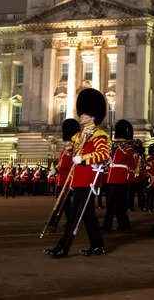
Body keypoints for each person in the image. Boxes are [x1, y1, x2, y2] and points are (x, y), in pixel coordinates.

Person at [45, 88, 110, 258]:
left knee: (74, 216)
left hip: (88, 179)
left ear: (93, 115)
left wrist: (83, 158)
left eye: (84, 113)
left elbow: (103, 155)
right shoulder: (78, 136)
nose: (80, 115)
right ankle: (98, 246)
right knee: (88, 216)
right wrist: (69, 152)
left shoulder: (99, 135)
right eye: (81, 113)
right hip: (78, 179)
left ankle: (63, 247)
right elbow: (73, 153)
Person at [102, 119, 136, 232]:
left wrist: (121, 148)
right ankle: (123, 225)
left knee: (118, 204)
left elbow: (131, 162)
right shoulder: (114, 149)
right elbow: (108, 161)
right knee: (112, 204)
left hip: (120, 180)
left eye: (119, 139)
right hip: (111, 179)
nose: (117, 141)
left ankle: (110, 225)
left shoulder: (128, 149)